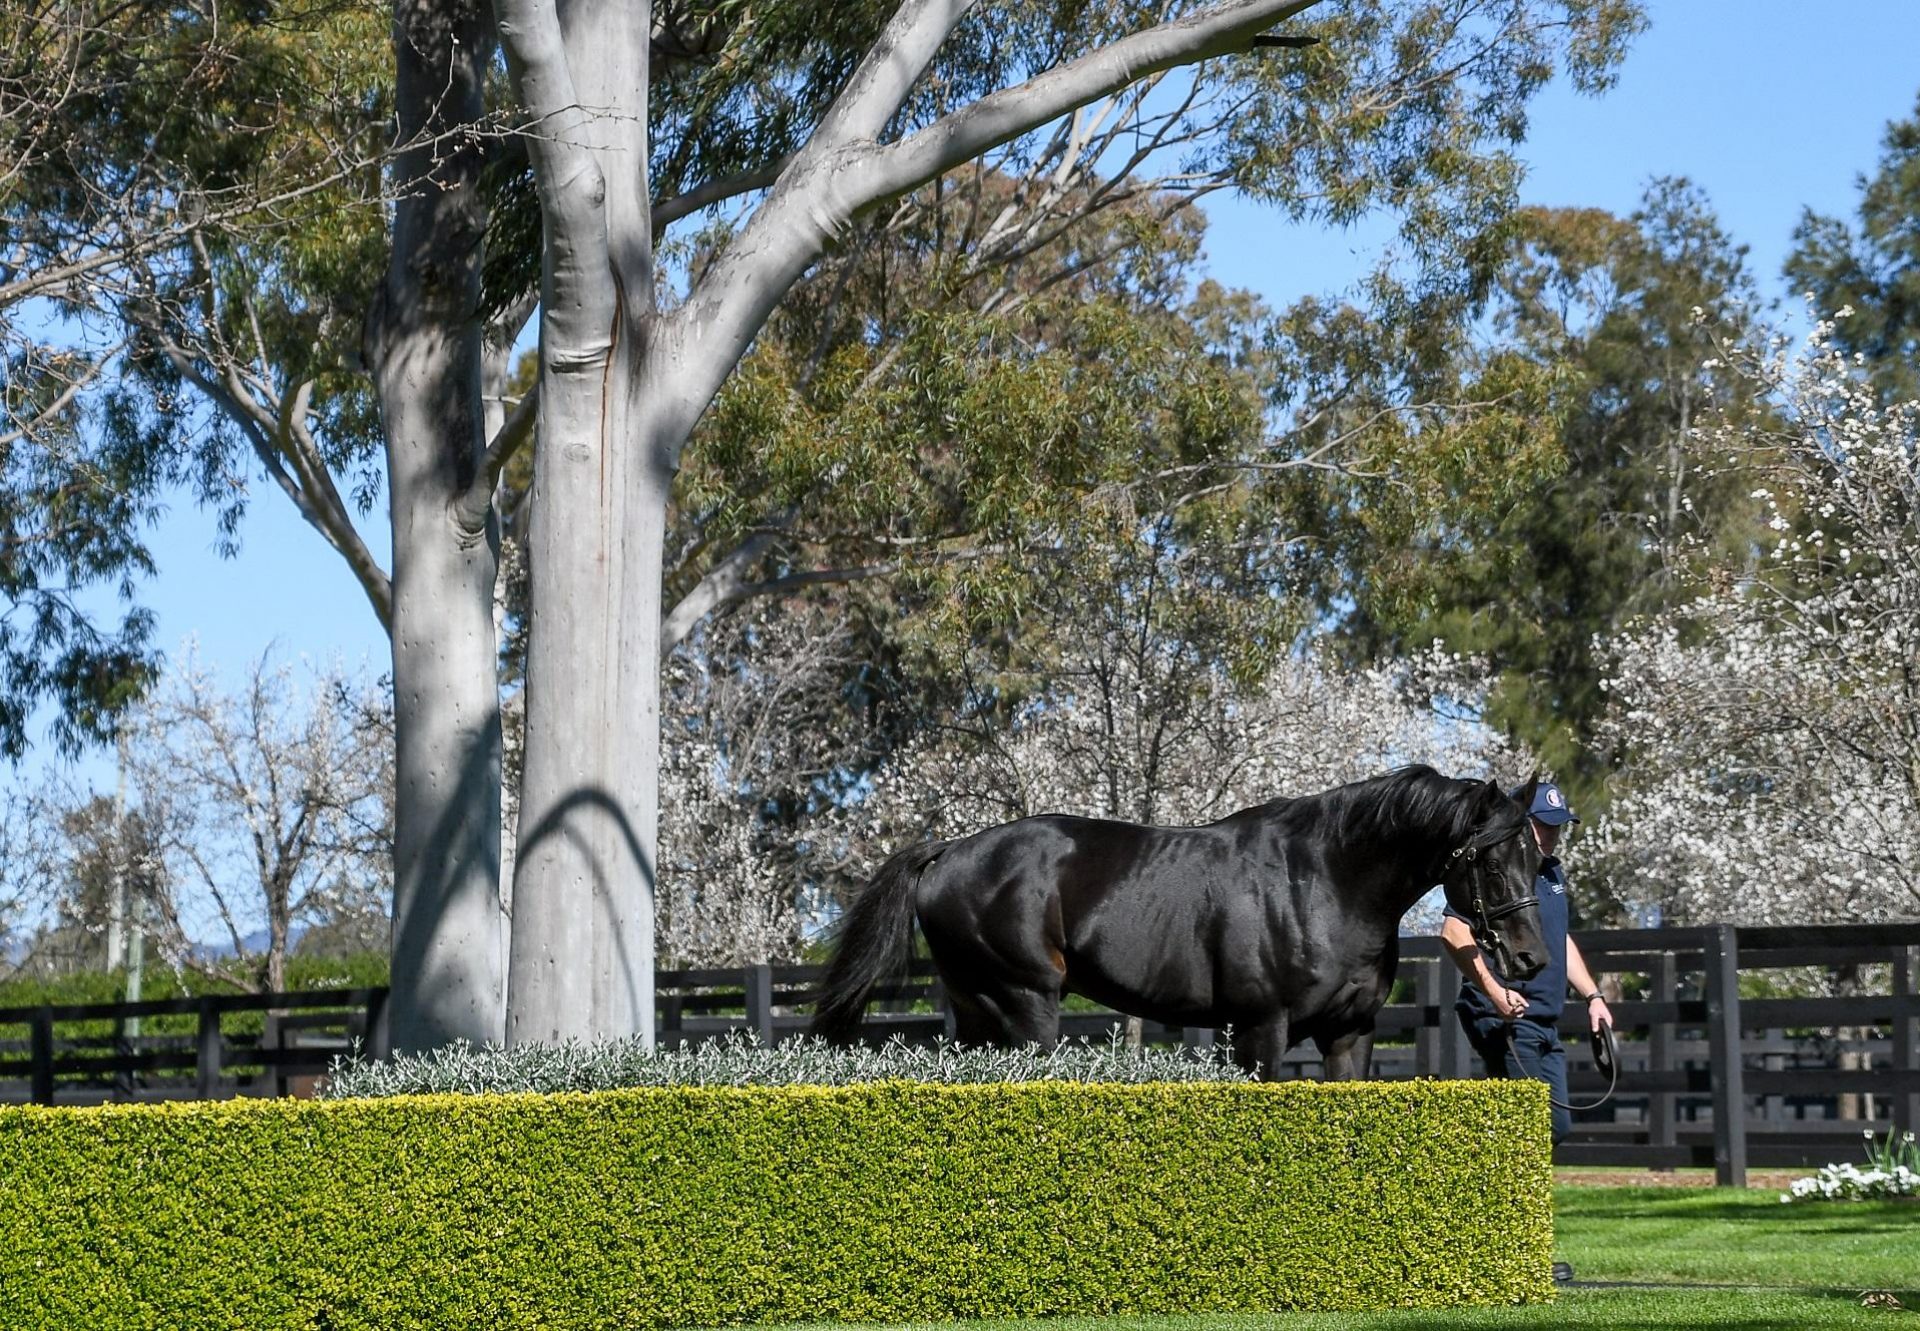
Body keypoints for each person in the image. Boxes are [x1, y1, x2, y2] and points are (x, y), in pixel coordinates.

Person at [1440, 778, 1614, 1148]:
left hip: (1544, 1021)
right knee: (1532, 1127)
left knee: (1554, 1127)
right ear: (1522, 822)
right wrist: (1495, 992)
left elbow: (1558, 939)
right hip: (1508, 1017)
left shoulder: (1551, 873)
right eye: (1544, 825)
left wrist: (1593, 997)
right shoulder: (1498, 869)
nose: (1553, 834)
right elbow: (1454, 932)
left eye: (1558, 826)